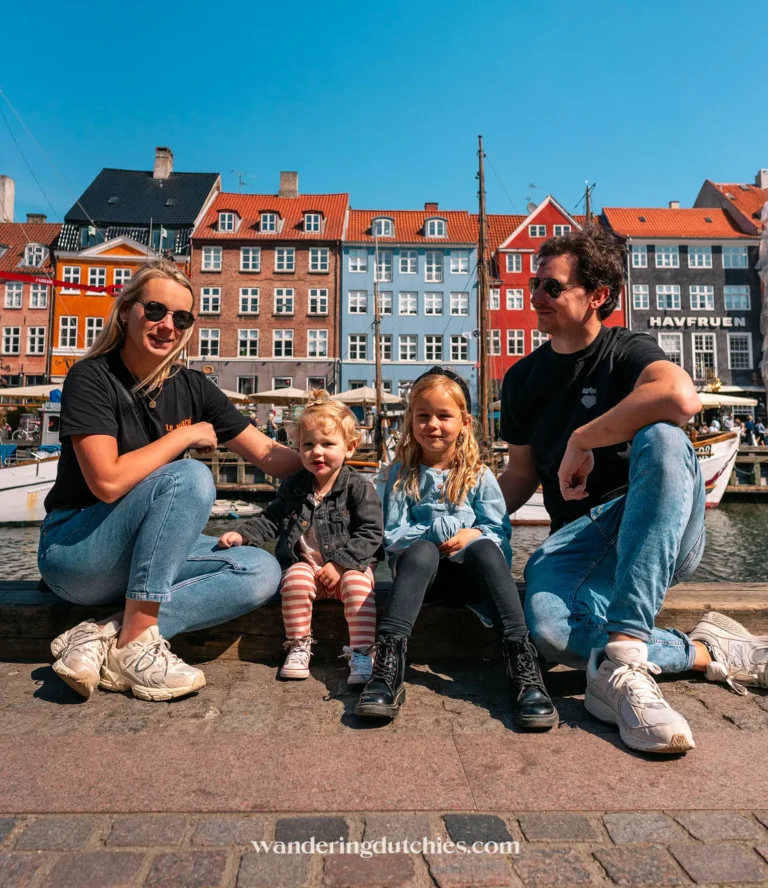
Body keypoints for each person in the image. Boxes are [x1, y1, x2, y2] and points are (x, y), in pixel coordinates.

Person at [498, 227, 768, 754]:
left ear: (597, 295)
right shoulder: (522, 378)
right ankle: (699, 649)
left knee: (667, 437)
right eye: (534, 284)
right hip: (578, 544)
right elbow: (519, 475)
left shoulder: (627, 350)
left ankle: (623, 652)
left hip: (650, 526)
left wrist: (583, 438)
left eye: (551, 287)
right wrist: (463, 520)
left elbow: (679, 395)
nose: (535, 296)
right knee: (551, 633)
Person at [41, 260, 302, 702]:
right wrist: (184, 435)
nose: (168, 326)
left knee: (261, 570)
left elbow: (269, 456)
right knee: (190, 477)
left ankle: (106, 634)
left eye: (181, 318)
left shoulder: (192, 387)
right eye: (156, 310)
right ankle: (139, 646)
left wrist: (333, 460)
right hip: (76, 553)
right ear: (126, 311)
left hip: (143, 558)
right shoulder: (91, 377)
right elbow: (106, 482)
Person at [355, 367, 557, 729]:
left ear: (464, 422)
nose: (432, 424)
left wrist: (474, 533)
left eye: (443, 416)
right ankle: (388, 664)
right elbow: (394, 535)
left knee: (484, 548)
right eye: (423, 416)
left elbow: (499, 531)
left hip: (470, 578)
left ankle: (522, 663)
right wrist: (435, 532)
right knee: (420, 551)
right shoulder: (402, 475)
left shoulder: (479, 475)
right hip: (422, 578)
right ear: (411, 421)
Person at [217, 391, 383, 684]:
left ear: (350, 448)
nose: (317, 452)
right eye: (308, 445)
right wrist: (242, 534)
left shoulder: (358, 487)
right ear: (298, 447)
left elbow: (371, 533)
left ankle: (362, 651)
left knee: (358, 587)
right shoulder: (294, 486)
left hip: (348, 568)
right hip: (307, 565)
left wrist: (341, 564)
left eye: (328, 444)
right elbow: (272, 519)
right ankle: (298, 644)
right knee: (293, 578)